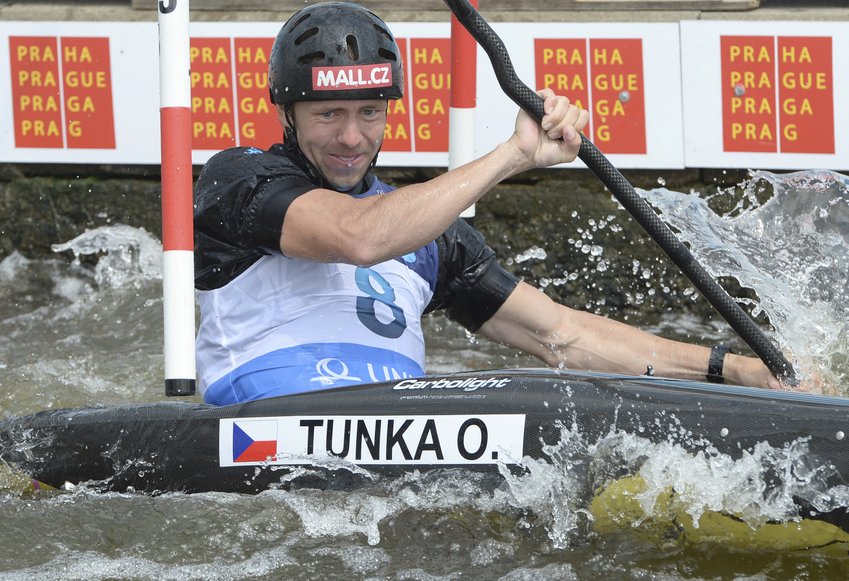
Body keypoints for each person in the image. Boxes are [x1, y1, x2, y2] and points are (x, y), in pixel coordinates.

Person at [193, 1, 782, 406]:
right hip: (261, 433)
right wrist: (512, 156)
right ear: (286, 115)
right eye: (329, 115)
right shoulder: (240, 181)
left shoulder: (431, 233)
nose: (352, 138)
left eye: (370, 113)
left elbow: (565, 337)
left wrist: (733, 370)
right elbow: (359, 238)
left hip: (401, 440)